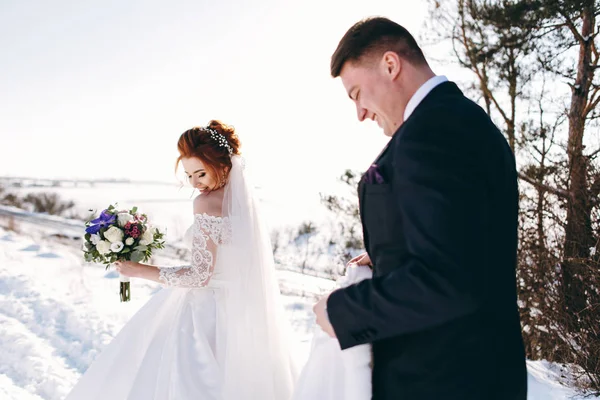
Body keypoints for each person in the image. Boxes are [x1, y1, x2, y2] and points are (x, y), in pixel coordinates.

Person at [312, 17, 527, 399]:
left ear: (391, 65)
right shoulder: (464, 121)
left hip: (441, 379)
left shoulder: (430, 134)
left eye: (357, 92)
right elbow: (467, 243)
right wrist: (388, 252)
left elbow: (448, 280)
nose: (359, 112)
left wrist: (342, 311)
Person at [66, 120, 297, 400]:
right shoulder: (245, 202)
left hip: (206, 313)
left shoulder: (204, 203)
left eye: (200, 173)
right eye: (189, 175)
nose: (195, 183)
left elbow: (200, 276)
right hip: (242, 311)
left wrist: (138, 270)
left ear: (224, 166)